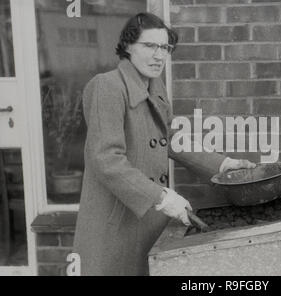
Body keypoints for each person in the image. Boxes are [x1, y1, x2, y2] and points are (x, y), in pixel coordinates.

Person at [73, 12, 256, 276]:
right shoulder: (107, 87)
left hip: (148, 223)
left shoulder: (155, 87)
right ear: (127, 46)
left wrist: (224, 164)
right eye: (149, 46)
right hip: (114, 228)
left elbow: (169, 139)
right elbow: (106, 159)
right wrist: (161, 197)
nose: (159, 55)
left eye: (165, 47)